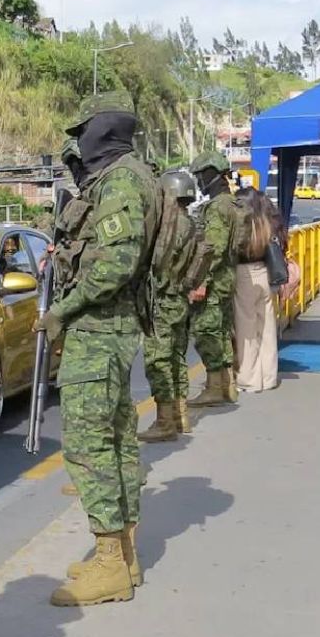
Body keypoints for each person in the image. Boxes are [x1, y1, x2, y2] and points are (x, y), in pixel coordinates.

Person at [37, 91, 156, 607]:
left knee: (89, 448)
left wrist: (61, 311)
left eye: (82, 132)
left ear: (103, 129)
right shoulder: (122, 177)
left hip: (99, 329)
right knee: (116, 441)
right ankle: (123, 557)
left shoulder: (123, 180)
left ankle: (110, 562)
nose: (77, 143)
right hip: (108, 328)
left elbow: (115, 263)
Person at [136, 171, 199, 442]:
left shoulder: (169, 226)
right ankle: (180, 415)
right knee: (176, 358)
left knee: (158, 361)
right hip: (179, 299)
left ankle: (164, 422)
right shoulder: (190, 223)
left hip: (161, 301)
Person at [187, 150, 240, 407]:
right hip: (228, 278)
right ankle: (227, 385)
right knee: (221, 331)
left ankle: (214, 387)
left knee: (206, 333)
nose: (198, 182)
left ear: (211, 175)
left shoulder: (218, 207)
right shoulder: (232, 203)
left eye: (200, 176)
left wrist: (201, 281)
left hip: (215, 281)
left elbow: (214, 250)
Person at [233, 187, 286, 393]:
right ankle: (269, 377)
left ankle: (249, 379)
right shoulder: (265, 223)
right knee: (267, 328)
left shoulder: (243, 225)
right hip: (265, 273)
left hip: (244, 275)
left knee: (247, 328)